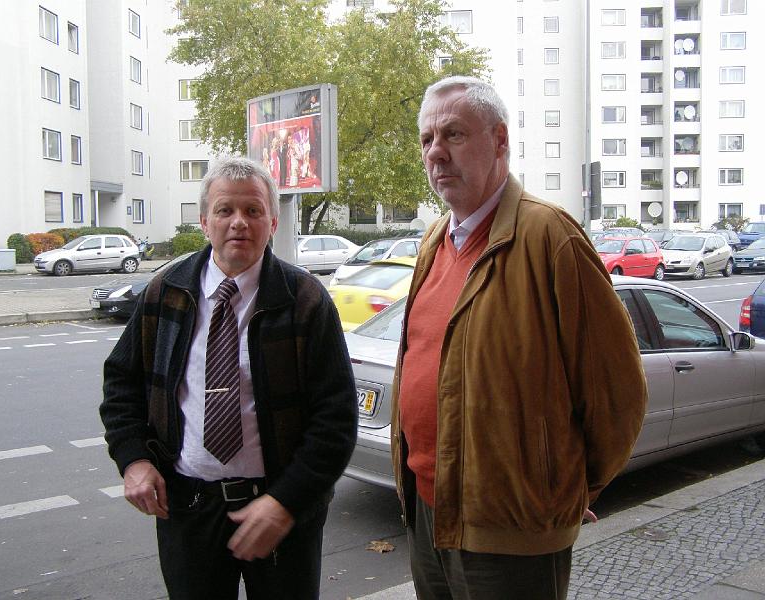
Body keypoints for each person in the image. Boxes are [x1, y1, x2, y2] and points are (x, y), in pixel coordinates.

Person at [391, 75, 647, 599]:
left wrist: (565, 490)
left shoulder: (551, 237)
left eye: (454, 135)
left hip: (512, 532)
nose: (436, 153)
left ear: (500, 140)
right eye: (427, 140)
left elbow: (617, 393)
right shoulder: (434, 242)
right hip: (426, 513)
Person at [100, 156, 358, 600]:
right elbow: (122, 382)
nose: (239, 222)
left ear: (273, 221)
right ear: (204, 221)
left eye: (253, 210)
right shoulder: (166, 292)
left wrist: (286, 501)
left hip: (280, 511)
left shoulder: (305, 300)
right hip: (188, 508)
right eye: (225, 210)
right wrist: (134, 459)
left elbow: (335, 418)